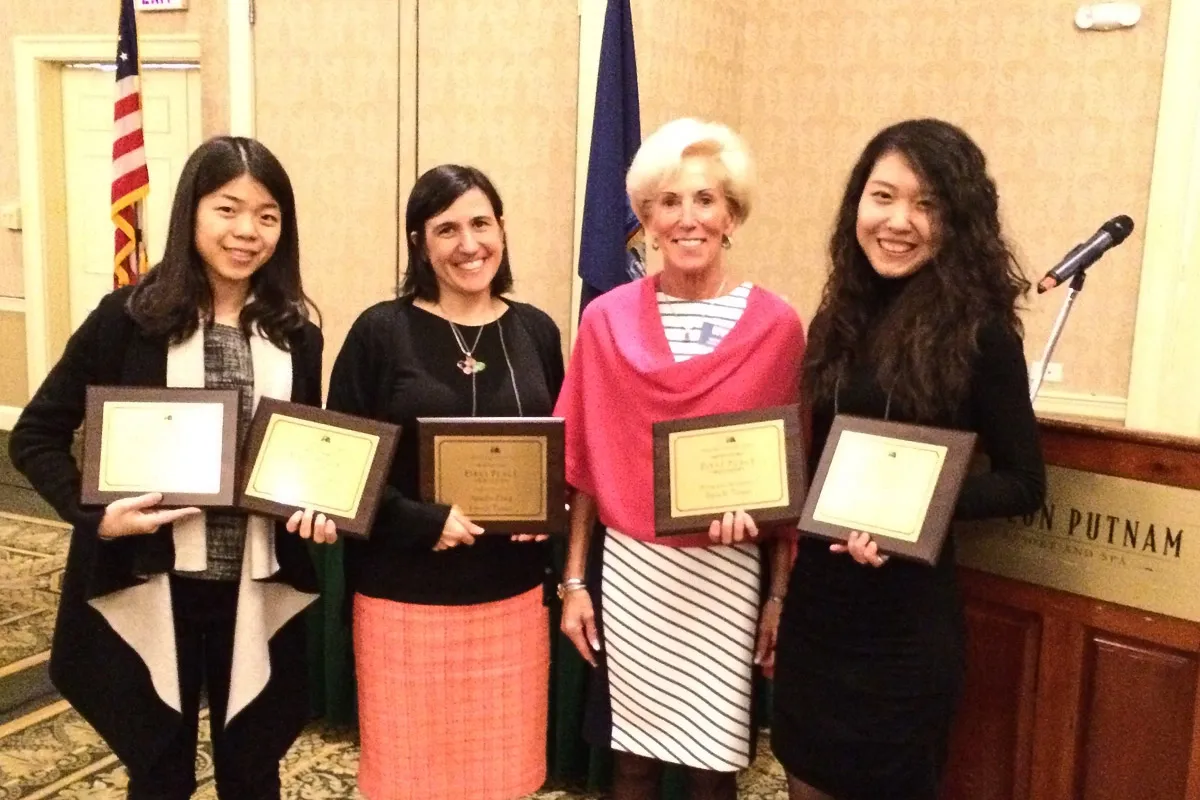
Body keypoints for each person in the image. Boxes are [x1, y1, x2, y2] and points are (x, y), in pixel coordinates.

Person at [8, 136, 333, 799]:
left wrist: (317, 506)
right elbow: (36, 433)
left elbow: (303, 452)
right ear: (191, 212)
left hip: (258, 585)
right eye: (228, 209)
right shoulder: (127, 320)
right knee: (159, 775)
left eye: (268, 215)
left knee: (253, 773)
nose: (247, 231)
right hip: (153, 584)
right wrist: (94, 517)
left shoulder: (296, 333)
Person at [771, 118, 1047, 800]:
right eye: (883, 196)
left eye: (926, 204)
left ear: (959, 220)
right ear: (856, 205)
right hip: (821, 607)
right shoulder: (838, 315)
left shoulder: (981, 332)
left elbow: (1023, 483)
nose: (899, 221)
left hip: (903, 623)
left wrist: (909, 513)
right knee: (804, 775)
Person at [555, 118, 805, 800]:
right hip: (637, 570)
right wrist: (575, 582)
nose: (688, 217)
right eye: (670, 202)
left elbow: (790, 476)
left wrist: (779, 596)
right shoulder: (605, 320)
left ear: (732, 215)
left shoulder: (778, 327)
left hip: (727, 573)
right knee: (632, 761)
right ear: (647, 219)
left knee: (713, 766)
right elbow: (583, 460)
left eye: (704, 199)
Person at [324, 164, 564, 800]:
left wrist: (546, 508)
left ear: (503, 230)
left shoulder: (537, 331)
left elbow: (560, 453)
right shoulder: (379, 331)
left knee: (503, 778)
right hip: (404, 599)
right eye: (446, 228)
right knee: (408, 777)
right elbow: (341, 465)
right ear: (419, 243)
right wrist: (421, 521)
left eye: (481, 223)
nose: (469, 244)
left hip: (510, 601)